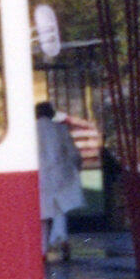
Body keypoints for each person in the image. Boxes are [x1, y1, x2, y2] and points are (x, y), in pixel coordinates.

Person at [35, 102, 83, 264]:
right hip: (60, 174)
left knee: (42, 214)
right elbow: (73, 153)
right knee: (60, 209)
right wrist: (76, 166)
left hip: (38, 177)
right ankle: (63, 239)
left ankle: (42, 250)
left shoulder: (29, 132)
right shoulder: (60, 129)